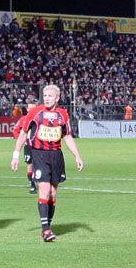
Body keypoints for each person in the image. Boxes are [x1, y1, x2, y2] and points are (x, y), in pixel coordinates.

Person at [11, 85, 84, 242]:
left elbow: (67, 136)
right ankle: (45, 230)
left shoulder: (62, 114)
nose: (47, 98)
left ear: (57, 98)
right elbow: (23, 133)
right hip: (39, 154)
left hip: (56, 155)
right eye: (45, 95)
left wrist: (77, 156)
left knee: (53, 193)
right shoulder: (35, 112)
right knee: (44, 189)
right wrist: (16, 155)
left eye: (50, 95)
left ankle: (47, 226)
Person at [12, 97, 39, 194]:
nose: (31, 110)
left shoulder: (40, 119)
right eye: (30, 109)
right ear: (27, 109)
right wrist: (20, 140)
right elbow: (15, 130)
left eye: (33, 109)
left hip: (39, 146)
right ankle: (32, 185)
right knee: (30, 164)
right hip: (28, 146)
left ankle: (40, 180)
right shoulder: (23, 119)